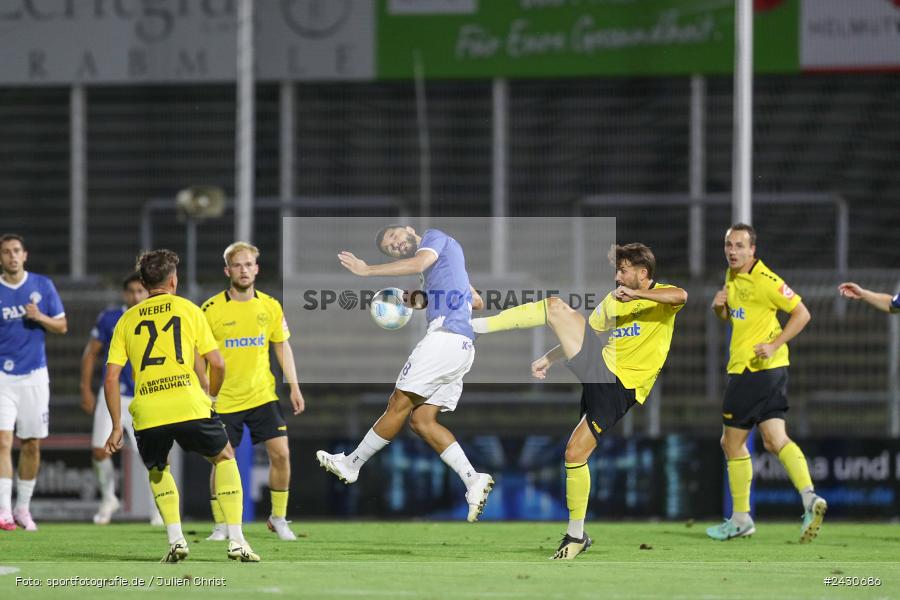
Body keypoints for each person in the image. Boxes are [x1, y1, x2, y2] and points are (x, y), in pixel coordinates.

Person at [472, 243, 686, 560]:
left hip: (621, 388)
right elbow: (588, 334)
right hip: (600, 372)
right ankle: (475, 326)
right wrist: (549, 358)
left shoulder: (662, 297)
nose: (617, 276)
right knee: (556, 307)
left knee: (575, 453)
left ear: (643, 273)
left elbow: (681, 296)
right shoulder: (613, 300)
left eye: (623, 270)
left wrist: (638, 296)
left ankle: (576, 534)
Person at [316, 225, 494, 522]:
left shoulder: (435, 237)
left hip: (445, 338)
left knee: (398, 403)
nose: (396, 245)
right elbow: (476, 301)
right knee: (422, 420)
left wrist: (367, 270)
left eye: (395, 237)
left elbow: (419, 262)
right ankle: (473, 479)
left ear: (410, 229)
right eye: (390, 247)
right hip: (462, 345)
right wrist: (422, 299)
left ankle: (352, 464)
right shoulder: (445, 261)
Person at [104, 249, 259, 562]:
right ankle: (237, 541)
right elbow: (217, 363)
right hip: (188, 403)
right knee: (225, 457)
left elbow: (111, 378)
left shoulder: (126, 319)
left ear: (145, 283)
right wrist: (211, 396)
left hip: (148, 410)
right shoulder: (188, 310)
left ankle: (175, 540)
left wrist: (114, 425)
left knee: (159, 468)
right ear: (173, 280)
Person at [706, 223, 825, 543]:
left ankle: (741, 518)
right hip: (772, 373)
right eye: (729, 245)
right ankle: (809, 498)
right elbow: (736, 317)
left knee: (730, 443)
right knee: (774, 439)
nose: (733, 251)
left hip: (752, 371)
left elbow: (802, 313)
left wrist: (773, 345)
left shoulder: (765, 279)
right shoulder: (732, 274)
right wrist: (720, 309)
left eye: (739, 246)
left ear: (752, 250)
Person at [199, 242, 305, 542]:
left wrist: (294, 386)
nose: (243, 270)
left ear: (256, 269)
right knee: (222, 460)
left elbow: (282, 346)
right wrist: (204, 390)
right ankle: (221, 525)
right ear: (227, 270)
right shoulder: (210, 309)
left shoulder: (270, 306)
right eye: (238, 265)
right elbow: (198, 354)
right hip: (224, 399)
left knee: (282, 455)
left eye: (248, 265)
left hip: (262, 396)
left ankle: (278, 518)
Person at [80, 272, 162, 525]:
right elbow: (91, 352)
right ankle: (108, 498)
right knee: (99, 449)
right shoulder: (110, 318)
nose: (137, 296)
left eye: (141, 291)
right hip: (113, 395)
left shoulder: (158, 315)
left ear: (147, 292)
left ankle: (158, 508)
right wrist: (85, 388)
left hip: (146, 396)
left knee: (154, 455)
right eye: (132, 291)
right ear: (124, 293)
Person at [0, 233, 67, 532]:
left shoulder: (42, 286)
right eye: (6, 252)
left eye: (16, 251)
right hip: (2, 375)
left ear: (25, 255)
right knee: (2, 441)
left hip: (34, 376)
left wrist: (39, 316)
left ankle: (22, 509)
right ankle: (3, 511)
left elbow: (62, 326)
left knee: (31, 444)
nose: (12, 256)